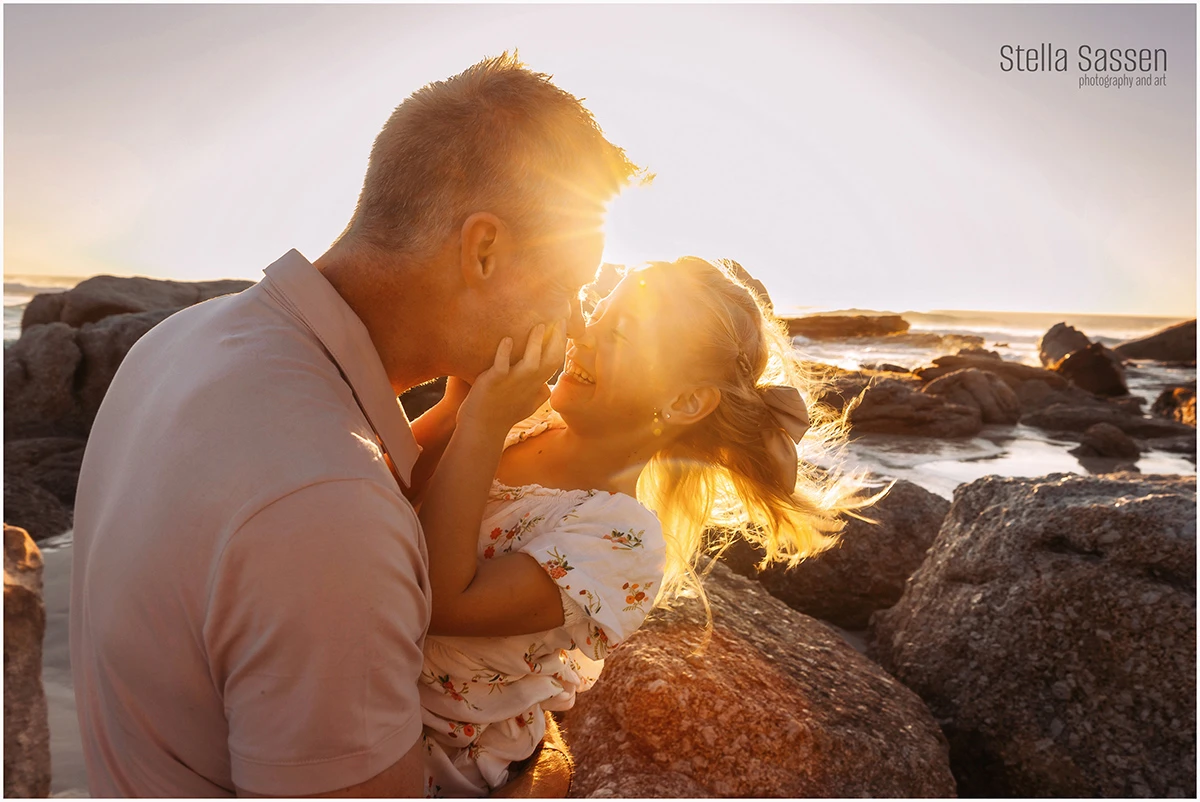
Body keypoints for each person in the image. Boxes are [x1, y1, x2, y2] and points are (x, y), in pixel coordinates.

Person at [69, 53, 643, 797]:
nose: (570, 321)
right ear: (484, 250)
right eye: (567, 285)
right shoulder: (332, 513)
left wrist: (461, 415)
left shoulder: (179, 339)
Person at [410, 256, 893, 796]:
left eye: (619, 332)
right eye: (594, 313)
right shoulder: (525, 422)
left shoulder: (620, 541)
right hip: (363, 672)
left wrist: (480, 420)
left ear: (685, 401)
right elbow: (392, 484)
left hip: (442, 758)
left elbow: (442, 603)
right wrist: (461, 399)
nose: (583, 336)